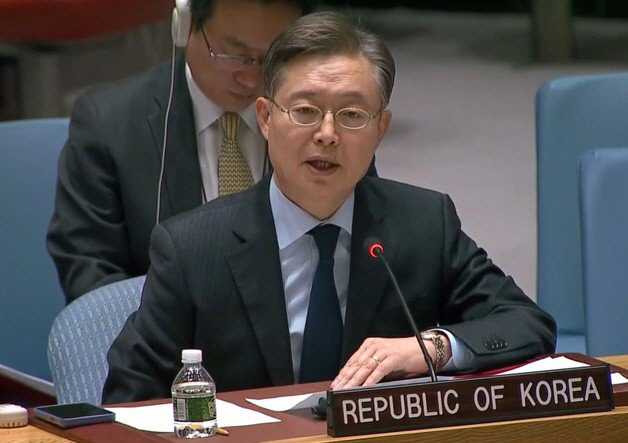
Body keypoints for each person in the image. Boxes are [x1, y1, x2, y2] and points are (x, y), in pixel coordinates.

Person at [103, 11, 556, 402]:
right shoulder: (192, 248)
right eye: (304, 111)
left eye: (352, 115)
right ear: (265, 118)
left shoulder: (423, 224)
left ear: (380, 130)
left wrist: (429, 348)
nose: (326, 134)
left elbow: (527, 324)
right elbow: (127, 398)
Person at [46, 0, 311, 304]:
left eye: (273, 57)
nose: (251, 79)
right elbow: (90, 273)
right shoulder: (108, 125)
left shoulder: (324, 122)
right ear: (185, 26)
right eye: (233, 55)